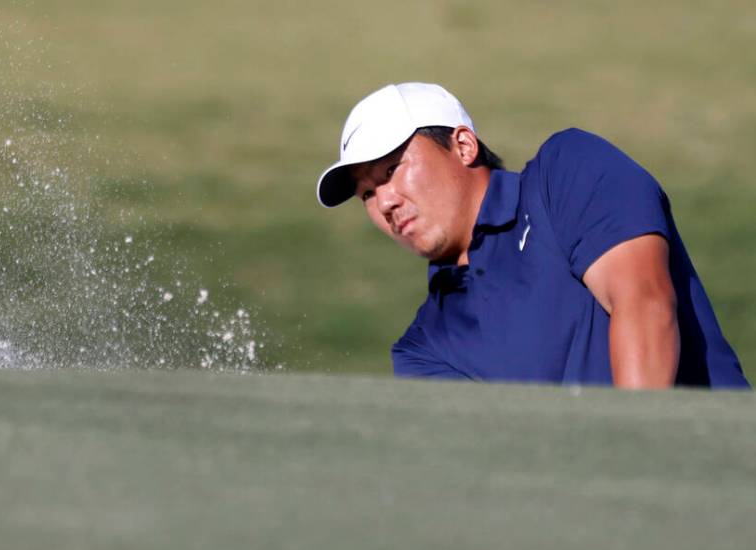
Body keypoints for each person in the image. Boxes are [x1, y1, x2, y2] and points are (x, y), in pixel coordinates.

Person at [316, 82, 749, 389]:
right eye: (368, 193)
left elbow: (645, 304)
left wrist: (631, 464)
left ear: (463, 145)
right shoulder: (425, 349)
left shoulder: (567, 171)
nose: (385, 202)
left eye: (393, 170)